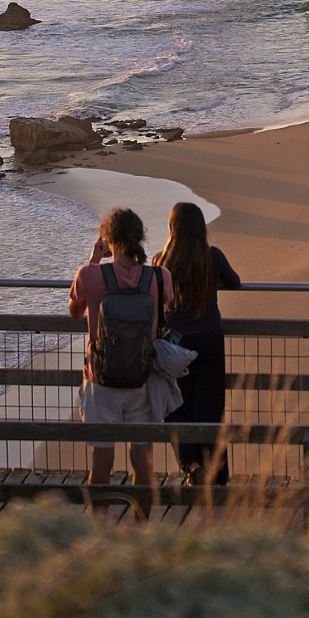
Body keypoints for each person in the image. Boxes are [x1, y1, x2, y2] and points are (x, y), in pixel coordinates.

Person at [67, 207, 173, 486]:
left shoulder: (89, 275)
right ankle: (141, 524)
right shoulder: (159, 277)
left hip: (100, 379)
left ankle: (100, 526)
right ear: (140, 237)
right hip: (142, 378)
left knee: (101, 462)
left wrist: (93, 260)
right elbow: (166, 306)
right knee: (142, 460)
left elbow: (75, 311)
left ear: (107, 238)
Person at [154, 200, 242, 486]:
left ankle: (191, 465)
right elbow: (235, 283)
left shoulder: (160, 262)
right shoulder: (212, 256)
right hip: (209, 340)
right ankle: (218, 473)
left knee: (177, 407)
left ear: (172, 228)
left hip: (176, 345)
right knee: (211, 408)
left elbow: (156, 304)